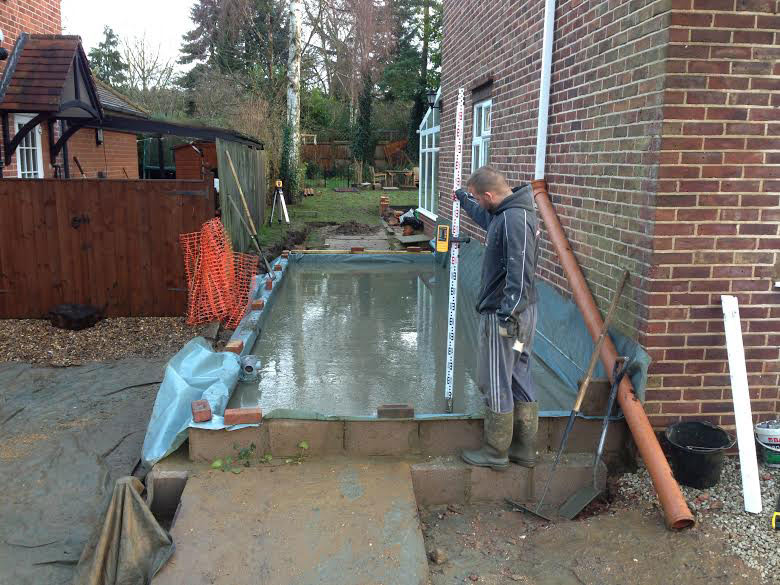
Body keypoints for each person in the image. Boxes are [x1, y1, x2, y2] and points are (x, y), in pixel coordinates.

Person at [454, 166, 539, 470]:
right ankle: (524, 449)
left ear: (489, 195)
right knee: (517, 374)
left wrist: (507, 316)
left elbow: (520, 272)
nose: (479, 203)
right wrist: (464, 199)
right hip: (520, 314)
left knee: (495, 378)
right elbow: (484, 217)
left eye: (478, 198)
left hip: (505, 315)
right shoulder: (506, 213)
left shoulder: (516, 220)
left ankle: (495, 451)